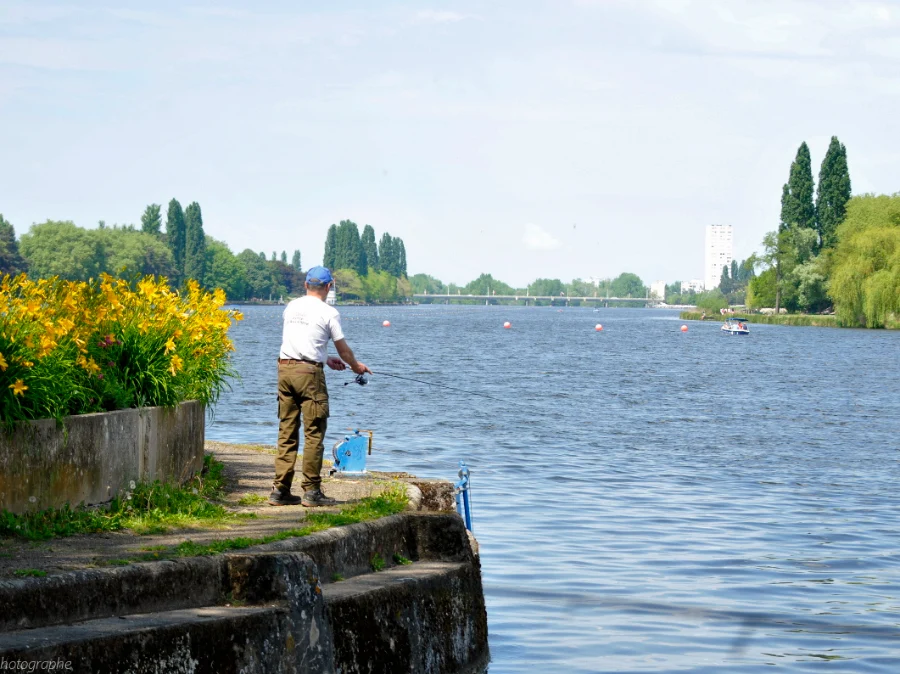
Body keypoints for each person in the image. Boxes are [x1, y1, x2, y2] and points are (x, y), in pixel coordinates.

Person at [270, 266, 371, 507]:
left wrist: (325, 359)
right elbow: (343, 349)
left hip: (284, 370)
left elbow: (301, 340)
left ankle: (280, 490)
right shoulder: (329, 312)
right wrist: (356, 367)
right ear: (329, 286)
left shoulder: (291, 307)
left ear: (305, 285)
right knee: (313, 432)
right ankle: (312, 491)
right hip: (309, 375)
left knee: (287, 432)